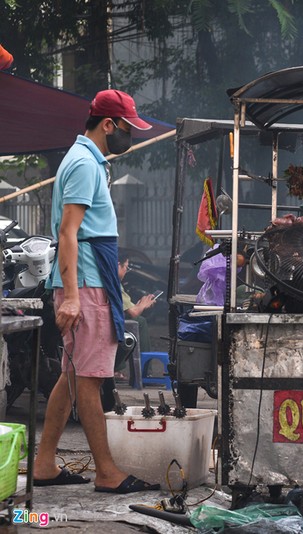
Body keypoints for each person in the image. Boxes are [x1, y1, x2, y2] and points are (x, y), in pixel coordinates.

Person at [33, 89, 160, 494]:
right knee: (89, 379)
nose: (131, 136)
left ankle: (45, 464)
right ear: (109, 124)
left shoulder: (86, 161)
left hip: (86, 280)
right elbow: (68, 233)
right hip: (85, 285)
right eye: (128, 128)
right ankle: (107, 472)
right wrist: (71, 296)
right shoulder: (85, 164)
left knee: (71, 377)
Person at [117, 251, 155, 354]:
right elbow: (133, 313)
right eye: (126, 267)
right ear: (118, 265)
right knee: (140, 321)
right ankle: (146, 367)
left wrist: (140, 305)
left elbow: (129, 308)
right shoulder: (115, 282)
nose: (126, 271)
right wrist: (142, 305)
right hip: (110, 321)